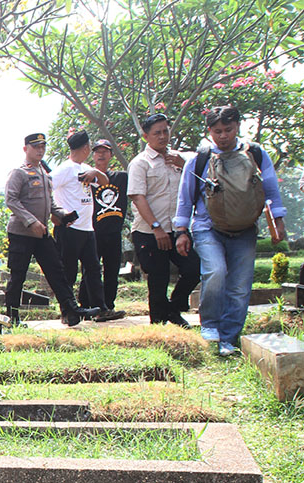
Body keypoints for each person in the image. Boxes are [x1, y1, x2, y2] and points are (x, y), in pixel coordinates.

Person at [176, 105, 287, 355]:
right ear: (209, 131)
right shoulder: (200, 159)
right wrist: (181, 230)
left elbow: (270, 189)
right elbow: (185, 197)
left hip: (245, 229)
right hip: (207, 227)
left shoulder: (255, 154)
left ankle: (229, 338)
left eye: (228, 130)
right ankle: (211, 325)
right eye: (217, 131)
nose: (223, 136)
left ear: (238, 127)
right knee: (215, 272)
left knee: (240, 287)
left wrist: (278, 221)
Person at [4, 133, 100, 326]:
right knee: (18, 275)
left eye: (43, 146)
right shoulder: (19, 172)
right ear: (26, 149)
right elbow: (11, 200)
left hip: (42, 233)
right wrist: (31, 222)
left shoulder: (45, 173)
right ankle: (12, 317)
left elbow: (50, 203)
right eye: (36, 147)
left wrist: (64, 214)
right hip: (22, 233)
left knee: (57, 271)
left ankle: (72, 310)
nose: (40, 150)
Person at [128, 113, 198, 327]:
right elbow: (138, 197)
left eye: (165, 131)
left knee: (194, 268)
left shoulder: (179, 159)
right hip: (149, 231)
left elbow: (198, 184)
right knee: (158, 279)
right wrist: (156, 228)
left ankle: (174, 308)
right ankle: (159, 325)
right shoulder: (141, 163)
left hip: (177, 230)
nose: (162, 136)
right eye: (156, 133)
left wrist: (184, 164)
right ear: (146, 136)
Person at [51, 131, 125, 322]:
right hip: (69, 228)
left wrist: (96, 172)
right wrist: (54, 213)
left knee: (93, 270)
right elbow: (45, 188)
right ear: (85, 148)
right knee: (68, 272)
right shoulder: (64, 169)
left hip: (87, 228)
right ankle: (67, 312)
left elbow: (104, 182)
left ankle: (101, 308)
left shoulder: (85, 168)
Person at [90, 139, 128, 312]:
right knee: (90, 270)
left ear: (111, 155)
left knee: (112, 271)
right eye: (97, 151)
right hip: (93, 232)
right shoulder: (87, 179)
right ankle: (88, 306)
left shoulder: (120, 178)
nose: (101, 154)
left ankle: (108, 306)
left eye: (105, 151)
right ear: (93, 155)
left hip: (113, 231)